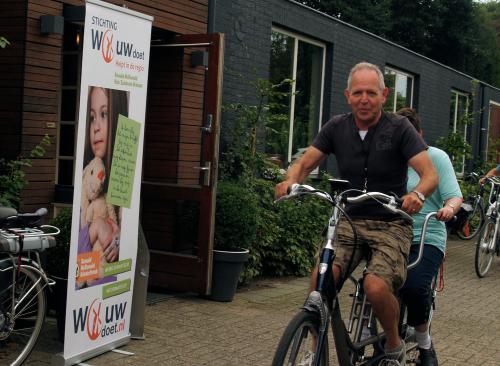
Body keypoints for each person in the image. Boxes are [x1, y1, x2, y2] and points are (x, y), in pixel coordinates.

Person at [275, 62, 438, 365]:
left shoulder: (399, 128)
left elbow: (429, 174)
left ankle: (392, 343)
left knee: (375, 286)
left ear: (384, 95)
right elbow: (305, 162)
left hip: (391, 223)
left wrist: (417, 194)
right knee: (320, 279)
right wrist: (290, 180)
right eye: (359, 93)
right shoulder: (337, 126)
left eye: (371, 93)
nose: (365, 99)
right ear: (348, 95)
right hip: (349, 220)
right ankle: (313, 348)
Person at [397, 108, 463, 366]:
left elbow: (454, 195)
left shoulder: (436, 158)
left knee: (413, 285)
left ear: (419, 136)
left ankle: (424, 343)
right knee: (371, 283)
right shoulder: (389, 157)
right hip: (392, 233)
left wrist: (449, 208)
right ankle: (374, 332)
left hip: (427, 233)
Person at [77, 86, 128, 288]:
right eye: (92, 117)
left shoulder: (124, 179)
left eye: (104, 114)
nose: (96, 126)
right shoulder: (86, 183)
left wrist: (120, 236)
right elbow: (77, 264)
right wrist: (96, 227)